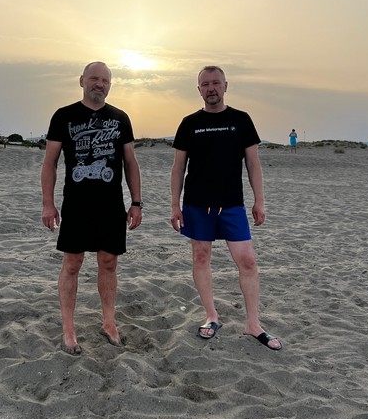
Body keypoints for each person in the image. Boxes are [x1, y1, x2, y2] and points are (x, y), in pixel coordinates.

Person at [170, 65, 282, 351]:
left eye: (216, 83)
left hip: (232, 204)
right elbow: (178, 168)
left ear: (225, 86)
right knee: (201, 258)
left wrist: (259, 200)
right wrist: (175, 205)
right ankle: (211, 315)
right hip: (197, 204)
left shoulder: (241, 120)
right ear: (199, 89)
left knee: (247, 261)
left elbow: (253, 164)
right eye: (205, 84)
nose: (211, 88)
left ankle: (253, 324)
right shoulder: (189, 123)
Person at [41, 61, 143, 355]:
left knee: (109, 263)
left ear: (110, 85)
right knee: (72, 263)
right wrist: (48, 203)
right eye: (94, 79)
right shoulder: (64, 116)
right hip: (76, 204)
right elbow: (50, 163)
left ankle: (108, 323)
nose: (100, 84)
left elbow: (130, 163)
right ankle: (68, 330)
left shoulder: (120, 118)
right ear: (82, 80)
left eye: (105, 80)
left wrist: (136, 202)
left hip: (111, 204)